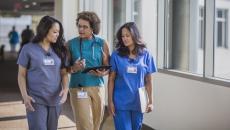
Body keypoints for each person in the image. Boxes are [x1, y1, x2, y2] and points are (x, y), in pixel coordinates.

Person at [17, 16, 69, 130]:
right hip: (35, 99)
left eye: (59, 32)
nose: (58, 35)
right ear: (45, 30)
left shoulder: (60, 50)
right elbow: (21, 75)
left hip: (55, 100)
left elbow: (64, 73)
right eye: (55, 32)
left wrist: (65, 90)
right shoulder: (28, 49)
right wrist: (25, 96)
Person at [108, 22, 157, 130]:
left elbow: (149, 80)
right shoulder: (116, 55)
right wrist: (110, 101)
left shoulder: (146, 55)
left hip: (139, 102)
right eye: (122, 36)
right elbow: (111, 79)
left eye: (127, 35)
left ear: (135, 35)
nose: (124, 38)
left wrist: (151, 102)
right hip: (120, 102)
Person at [66, 11, 110, 130]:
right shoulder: (70, 44)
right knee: (85, 124)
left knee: (96, 123)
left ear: (93, 28)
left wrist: (103, 72)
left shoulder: (102, 43)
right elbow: (65, 69)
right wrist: (74, 68)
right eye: (79, 26)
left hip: (98, 86)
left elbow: (108, 67)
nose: (81, 29)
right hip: (78, 87)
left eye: (85, 27)